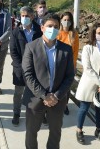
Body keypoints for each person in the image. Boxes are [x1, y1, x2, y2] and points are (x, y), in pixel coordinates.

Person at [22, 14, 75, 149]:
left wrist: (56, 96)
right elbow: (28, 75)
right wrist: (44, 95)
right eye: (49, 26)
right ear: (42, 27)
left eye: (56, 27)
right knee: (31, 133)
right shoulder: (31, 47)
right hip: (35, 99)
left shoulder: (66, 49)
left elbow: (69, 76)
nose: (53, 29)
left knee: (55, 133)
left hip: (58, 100)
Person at [75, 22, 100, 145]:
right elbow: (87, 68)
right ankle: (79, 130)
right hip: (89, 82)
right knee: (84, 108)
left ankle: (98, 130)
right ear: (94, 34)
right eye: (99, 33)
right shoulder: (88, 48)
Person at [9, 6, 42, 126]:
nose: (24, 18)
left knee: (37, 92)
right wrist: (22, 66)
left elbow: (42, 49)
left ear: (32, 17)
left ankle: (38, 113)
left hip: (36, 68)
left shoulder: (39, 31)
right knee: (18, 93)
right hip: (20, 69)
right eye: (22, 16)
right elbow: (13, 52)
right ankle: (16, 113)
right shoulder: (16, 32)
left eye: (27, 16)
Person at [56, 12, 79, 115]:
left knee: (67, 87)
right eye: (64, 20)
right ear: (61, 21)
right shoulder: (57, 33)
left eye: (68, 20)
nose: (66, 22)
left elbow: (76, 51)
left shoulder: (74, 34)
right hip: (58, 64)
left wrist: (73, 65)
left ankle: (65, 105)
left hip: (69, 65)